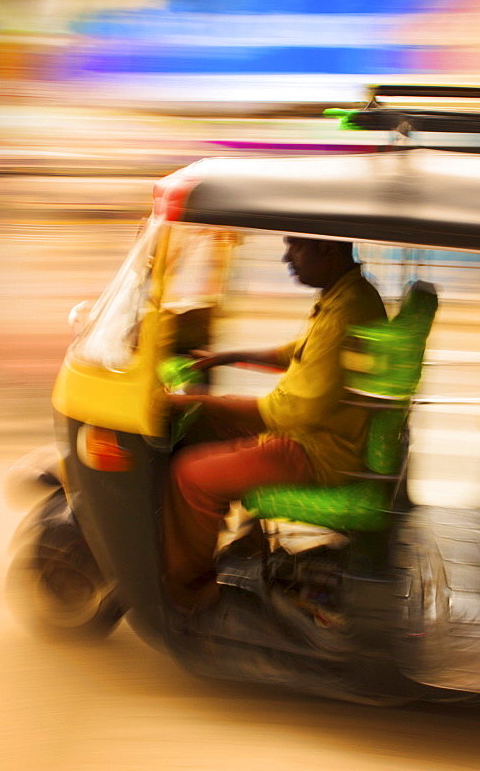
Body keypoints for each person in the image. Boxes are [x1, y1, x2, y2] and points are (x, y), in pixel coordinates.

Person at [163, 236, 386, 608]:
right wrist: (227, 356)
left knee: (190, 476)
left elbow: (289, 411)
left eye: (295, 247)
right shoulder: (347, 296)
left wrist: (199, 402)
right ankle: (226, 542)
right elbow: (296, 352)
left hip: (318, 450)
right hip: (317, 432)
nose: (286, 257)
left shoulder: (348, 309)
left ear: (328, 250)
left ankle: (189, 591)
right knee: (205, 424)